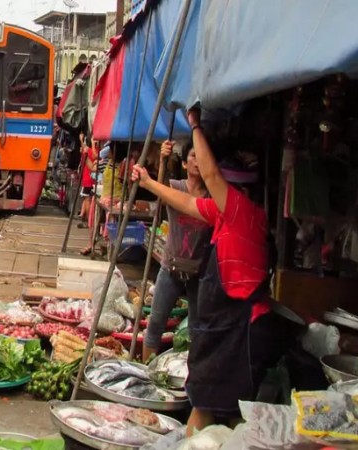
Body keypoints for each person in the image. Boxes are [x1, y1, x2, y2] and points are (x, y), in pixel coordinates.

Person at [131, 109, 293, 436]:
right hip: (226, 332)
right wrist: (149, 182)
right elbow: (186, 203)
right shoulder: (224, 215)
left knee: (206, 410)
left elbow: (212, 176)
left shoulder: (243, 213)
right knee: (227, 414)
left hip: (241, 334)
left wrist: (194, 125)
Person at [142, 140, 212, 362]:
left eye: (201, 157)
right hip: (171, 268)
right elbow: (159, 189)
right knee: (155, 325)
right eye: (192, 157)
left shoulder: (213, 196)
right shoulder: (176, 187)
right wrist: (162, 159)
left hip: (199, 273)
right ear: (183, 164)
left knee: (196, 330)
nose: (197, 161)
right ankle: (145, 370)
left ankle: (189, 376)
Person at [76, 133, 97, 229]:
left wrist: (82, 140)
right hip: (90, 179)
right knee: (88, 199)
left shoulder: (87, 151)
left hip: (88, 179)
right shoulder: (94, 151)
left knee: (87, 199)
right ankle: (88, 220)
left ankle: (88, 220)